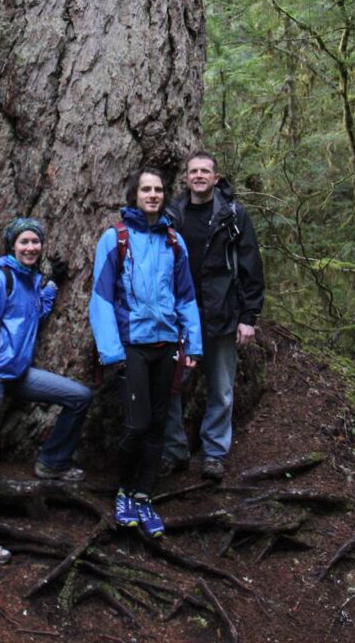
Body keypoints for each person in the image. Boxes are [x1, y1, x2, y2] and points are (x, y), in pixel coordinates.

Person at [0, 217, 92, 564]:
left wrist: (52, 285)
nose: (31, 247)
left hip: (17, 374)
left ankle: (52, 462)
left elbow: (35, 314)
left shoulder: (30, 281)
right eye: (24, 242)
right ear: (12, 246)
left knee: (78, 397)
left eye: (35, 242)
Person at [88, 167, 203, 537]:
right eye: (145, 189)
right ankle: (123, 491)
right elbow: (101, 298)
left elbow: (186, 297)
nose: (152, 195)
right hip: (132, 346)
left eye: (157, 190)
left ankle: (144, 495)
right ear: (134, 195)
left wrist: (193, 345)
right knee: (136, 424)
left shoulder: (173, 241)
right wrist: (111, 351)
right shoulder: (115, 238)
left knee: (157, 426)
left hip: (167, 344)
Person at [161, 150, 265, 481]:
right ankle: (174, 450)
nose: (199, 176)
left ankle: (214, 454)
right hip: (179, 316)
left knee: (220, 387)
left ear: (215, 178)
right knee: (171, 385)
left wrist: (249, 316)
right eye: (194, 171)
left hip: (222, 313)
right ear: (186, 177)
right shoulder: (173, 214)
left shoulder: (233, 214)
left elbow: (250, 265)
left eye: (206, 171)